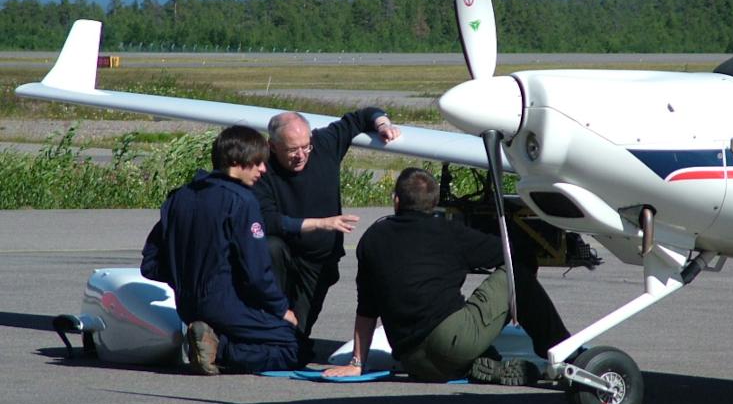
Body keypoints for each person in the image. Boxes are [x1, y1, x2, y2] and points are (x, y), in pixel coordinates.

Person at [323, 167, 570, 384]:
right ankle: (565, 354)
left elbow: (366, 308)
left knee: (455, 342)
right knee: (517, 274)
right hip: (452, 342)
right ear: (434, 203)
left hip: (412, 361)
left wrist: (356, 363)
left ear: (396, 201)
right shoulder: (449, 232)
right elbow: (511, 253)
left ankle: (481, 362)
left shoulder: (372, 238)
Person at [141, 125, 309, 375]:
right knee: (296, 347)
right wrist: (281, 309)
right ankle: (220, 349)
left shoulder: (179, 198)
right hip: (224, 304)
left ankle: (210, 339)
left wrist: (184, 278)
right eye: (257, 162)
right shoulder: (241, 201)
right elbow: (256, 273)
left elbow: (151, 264)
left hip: (187, 305)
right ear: (236, 160)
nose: (263, 169)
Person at [253, 109, 401, 340]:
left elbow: (361, 116)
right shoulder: (262, 169)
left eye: (305, 146)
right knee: (270, 248)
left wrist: (382, 124)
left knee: (295, 339)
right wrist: (320, 224)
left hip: (318, 263)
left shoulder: (324, 144)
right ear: (272, 146)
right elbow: (268, 221)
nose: (301, 155)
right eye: (292, 149)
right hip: (280, 259)